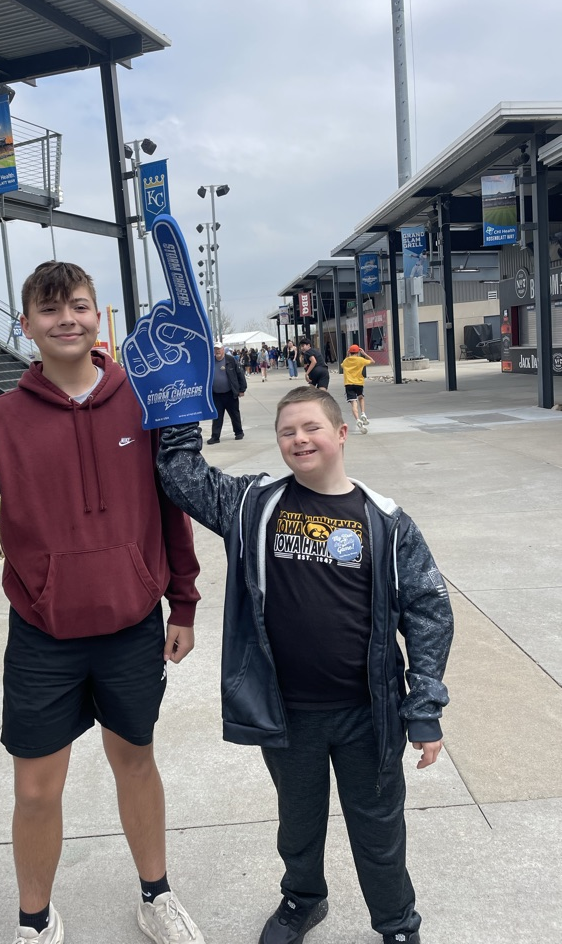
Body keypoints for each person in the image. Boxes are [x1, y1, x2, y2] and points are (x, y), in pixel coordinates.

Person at [0, 261, 204, 944]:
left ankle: (156, 894)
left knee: (137, 761)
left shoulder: (141, 403)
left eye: (80, 306)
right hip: (43, 633)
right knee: (34, 790)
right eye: (51, 309)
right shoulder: (0, 422)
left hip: (130, 626)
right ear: (26, 325)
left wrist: (183, 601)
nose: (67, 319)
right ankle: (35, 919)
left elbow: (170, 507)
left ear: (98, 316)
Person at [156, 386, 453, 944]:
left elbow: (428, 611)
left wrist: (425, 706)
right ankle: (302, 899)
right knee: (298, 821)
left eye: (311, 427)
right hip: (289, 713)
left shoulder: (387, 522)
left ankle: (397, 925)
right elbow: (180, 474)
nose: (299, 438)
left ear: (341, 434)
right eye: (287, 431)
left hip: (370, 714)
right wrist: (179, 400)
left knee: (379, 828)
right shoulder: (252, 505)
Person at [208, 341, 247, 444]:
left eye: (219, 349)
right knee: (217, 417)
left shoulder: (231, 360)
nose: (217, 351)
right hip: (216, 395)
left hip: (230, 393)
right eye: (215, 349)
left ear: (223, 349)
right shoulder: (210, 361)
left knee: (234, 414)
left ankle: (239, 432)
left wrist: (242, 389)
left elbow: (240, 374)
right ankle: (215, 437)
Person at [341, 343, 374, 434]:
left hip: (349, 384)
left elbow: (342, 365)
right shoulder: (361, 360)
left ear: (349, 352)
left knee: (353, 403)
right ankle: (363, 413)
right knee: (361, 398)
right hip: (359, 383)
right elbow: (372, 361)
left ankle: (358, 419)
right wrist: (364, 354)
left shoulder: (346, 361)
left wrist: (347, 354)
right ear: (358, 352)